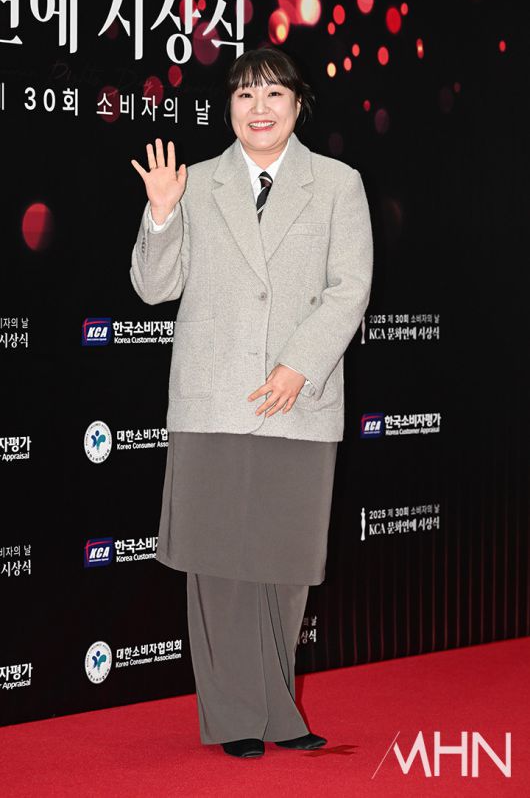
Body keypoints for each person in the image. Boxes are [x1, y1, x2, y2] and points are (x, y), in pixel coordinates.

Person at [129, 47, 373, 758]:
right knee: (219, 565)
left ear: (298, 104)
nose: (258, 108)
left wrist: (301, 363)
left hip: (300, 397)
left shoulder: (338, 184)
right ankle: (237, 716)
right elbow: (154, 288)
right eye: (244, 95)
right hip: (214, 398)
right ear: (229, 108)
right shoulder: (196, 182)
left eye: (273, 94)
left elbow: (350, 287)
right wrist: (162, 213)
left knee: (286, 562)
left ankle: (278, 710)